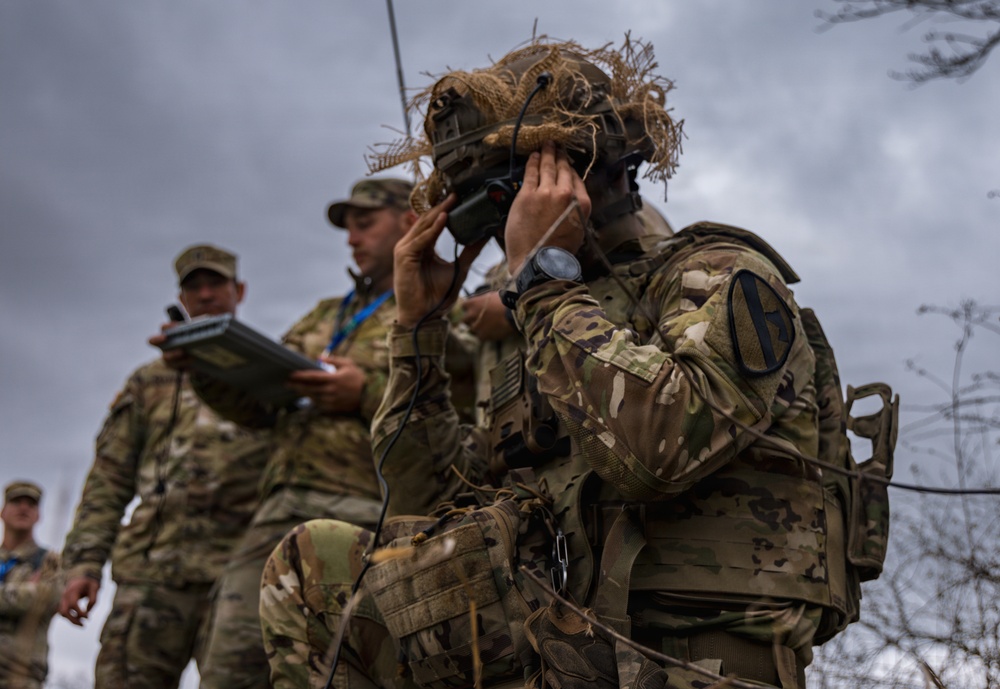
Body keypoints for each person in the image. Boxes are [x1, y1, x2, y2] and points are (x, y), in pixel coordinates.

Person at [259, 37, 893, 689]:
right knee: (314, 564)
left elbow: (655, 455)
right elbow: (425, 504)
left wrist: (542, 278)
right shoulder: (544, 321)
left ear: (594, 166)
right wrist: (418, 330)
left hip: (688, 664)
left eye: (522, 180)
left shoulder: (716, 275)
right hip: (557, 651)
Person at [187, 178, 477, 689]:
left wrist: (364, 391)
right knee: (229, 666)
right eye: (347, 229)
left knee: (343, 668)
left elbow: (463, 405)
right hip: (276, 512)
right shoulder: (326, 314)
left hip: (368, 515)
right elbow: (259, 409)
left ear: (410, 220)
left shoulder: (441, 306)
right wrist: (204, 365)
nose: (351, 239)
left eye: (364, 224)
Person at [59, 245, 270, 689]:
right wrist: (84, 564)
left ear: (240, 291)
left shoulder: (265, 372)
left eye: (217, 284)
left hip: (238, 576)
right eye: (195, 287)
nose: (207, 295)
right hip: (151, 577)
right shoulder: (148, 382)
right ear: (182, 297)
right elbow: (109, 480)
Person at [1, 481, 60, 689]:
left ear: (38, 515)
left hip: (21, 677)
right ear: (2, 511)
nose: (23, 508)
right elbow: (27, 597)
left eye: (31, 504)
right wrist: (23, 592)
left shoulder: (49, 562)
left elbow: (44, 599)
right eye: (16, 502)